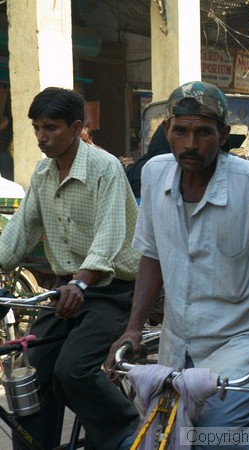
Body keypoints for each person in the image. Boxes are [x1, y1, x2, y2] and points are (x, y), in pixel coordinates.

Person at [105, 81, 249, 449]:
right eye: (181, 131)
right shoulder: (153, 175)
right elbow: (152, 256)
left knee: (217, 427)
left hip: (242, 338)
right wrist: (132, 327)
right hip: (178, 342)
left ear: (223, 135)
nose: (191, 144)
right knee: (162, 433)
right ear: (167, 131)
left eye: (203, 133)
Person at [0, 87, 140, 450]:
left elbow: (109, 238)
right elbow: (20, 231)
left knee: (73, 370)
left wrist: (82, 282)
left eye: (51, 128)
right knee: (30, 371)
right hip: (64, 292)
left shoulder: (103, 167)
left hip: (109, 290)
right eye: (36, 128)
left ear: (77, 127)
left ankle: (127, 430)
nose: (42, 138)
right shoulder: (44, 172)